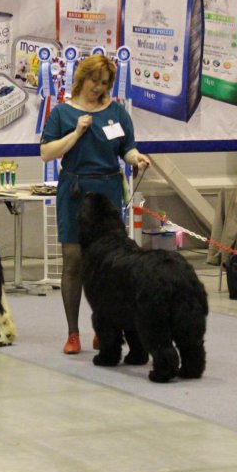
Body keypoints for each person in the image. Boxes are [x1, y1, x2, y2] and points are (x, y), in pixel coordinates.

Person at [40, 54, 151, 355]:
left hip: (108, 190)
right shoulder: (62, 113)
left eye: (104, 84)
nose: (98, 88)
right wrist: (76, 132)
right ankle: (73, 332)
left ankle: (106, 330)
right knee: (73, 260)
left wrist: (135, 158)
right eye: (94, 81)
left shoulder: (116, 112)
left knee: (109, 265)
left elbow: (126, 148)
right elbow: (47, 153)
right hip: (75, 191)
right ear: (81, 78)